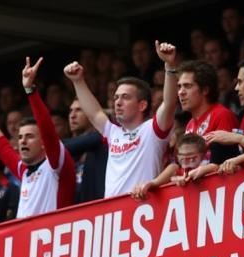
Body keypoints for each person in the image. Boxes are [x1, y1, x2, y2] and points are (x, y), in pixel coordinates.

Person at [64, 42, 180, 197]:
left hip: (144, 207)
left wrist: (169, 65)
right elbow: (94, 113)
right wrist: (78, 81)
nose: (118, 102)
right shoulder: (113, 132)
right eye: (116, 97)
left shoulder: (152, 130)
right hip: (114, 214)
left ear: (142, 105)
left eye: (125, 97)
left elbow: (169, 103)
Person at [0, 57, 74, 217]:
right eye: (20, 137)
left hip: (55, 237)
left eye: (29, 136)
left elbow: (47, 130)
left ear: (43, 144)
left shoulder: (55, 165)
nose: (22, 141)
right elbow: (1, 146)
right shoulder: (24, 171)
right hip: (28, 240)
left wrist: (30, 90)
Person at [175, 59, 239, 164]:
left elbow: (224, 164)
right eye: (179, 86)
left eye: (187, 86)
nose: (181, 92)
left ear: (205, 90)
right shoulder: (190, 125)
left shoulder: (221, 115)